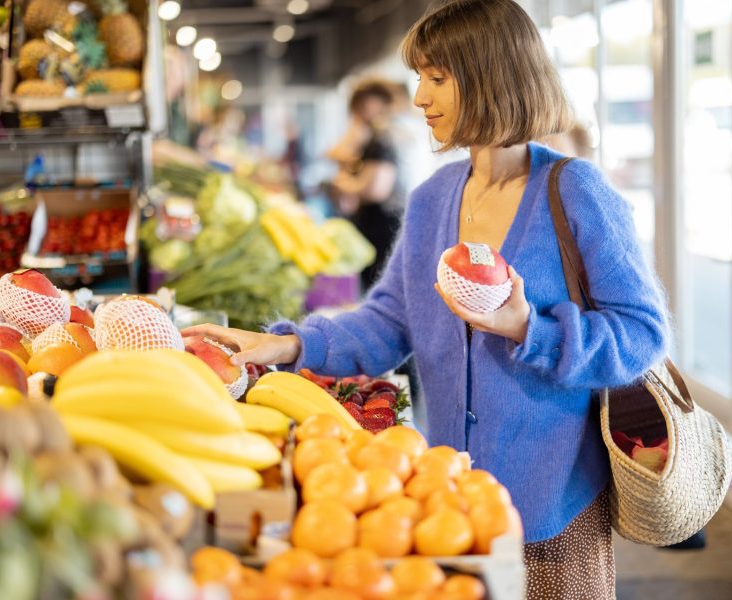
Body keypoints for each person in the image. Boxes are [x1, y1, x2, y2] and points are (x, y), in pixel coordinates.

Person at [184, 1, 669, 597]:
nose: (418, 97)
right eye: (419, 78)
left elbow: (642, 335)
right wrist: (286, 344)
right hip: (441, 504)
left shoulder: (575, 192)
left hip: (551, 511)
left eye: (437, 78)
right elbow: (391, 320)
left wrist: (527, 328)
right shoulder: (433, 199)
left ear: (492, 75)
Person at [326, 79, 404, 291]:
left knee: (377, 288)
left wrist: (342, 185)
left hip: (381, 226)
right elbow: (335, 152)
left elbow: (376, 191)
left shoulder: (381, 140)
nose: (361, 113)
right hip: (377, 223)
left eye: (365, 105)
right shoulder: (373, 137)